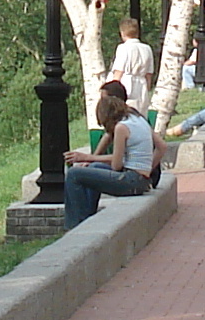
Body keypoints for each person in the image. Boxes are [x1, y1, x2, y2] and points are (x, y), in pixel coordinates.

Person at [63, 80, 160, 227]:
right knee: (93, 169)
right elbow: (162, 146)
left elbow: (116, 165)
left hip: (130, 181)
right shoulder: (137, 118)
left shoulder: (122, 127)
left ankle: (74, 225)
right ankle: (87, 220)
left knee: (74, 174)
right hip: (141, 180)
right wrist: (147, 169)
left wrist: (86, 157)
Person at [109, 16, 155, 114]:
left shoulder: (123, 48)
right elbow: (149, 75)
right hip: (142, 85)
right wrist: (147, 90)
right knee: (140, 115)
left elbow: (118, 71)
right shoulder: (147, 48)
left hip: (126, 84)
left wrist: (112, 91)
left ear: (122, 33)